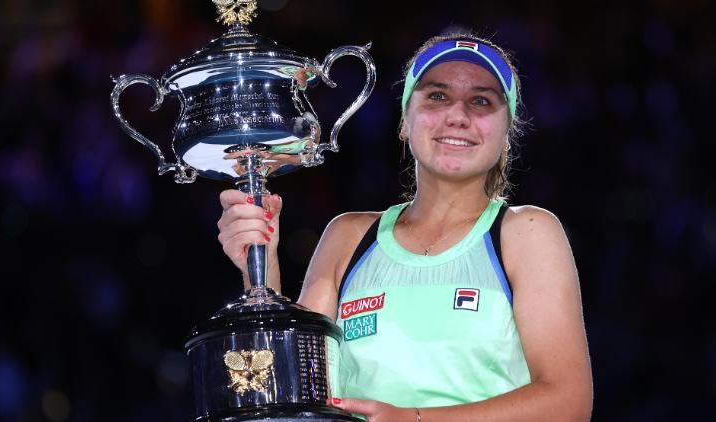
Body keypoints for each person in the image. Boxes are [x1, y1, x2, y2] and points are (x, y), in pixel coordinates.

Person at [217, 32, 593, 422]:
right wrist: (259, 266)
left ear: (506, 132)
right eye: (437, 96)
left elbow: (568, 401)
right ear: (404, 121)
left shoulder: (526, 232)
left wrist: (415, 419)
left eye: (481, 101)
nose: (457, 116)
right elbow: (292, 393)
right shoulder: (348, 237)